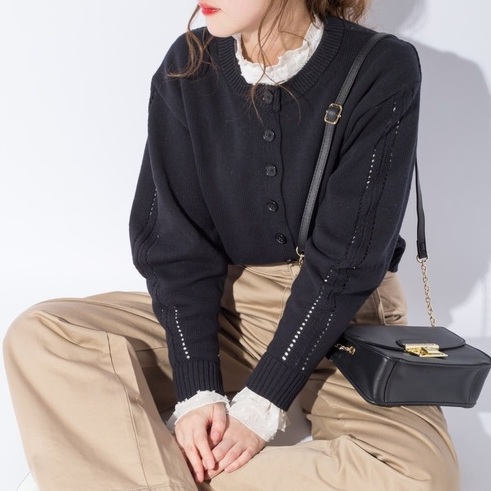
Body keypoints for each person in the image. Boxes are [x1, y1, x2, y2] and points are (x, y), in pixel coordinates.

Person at [4, 1, 460, 490]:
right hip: (227, 314)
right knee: (45, 335)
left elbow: (347, 263)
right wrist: (197, 389)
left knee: (421, 477)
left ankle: (139, 470)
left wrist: (262, 403)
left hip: (343, 326)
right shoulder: (188, 65)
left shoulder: (380, 65)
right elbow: (177, 248)